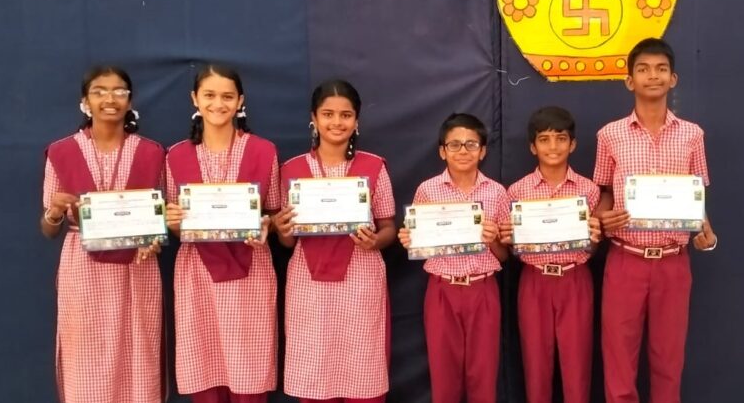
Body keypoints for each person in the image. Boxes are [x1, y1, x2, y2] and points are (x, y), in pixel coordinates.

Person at [593, 38, 718, 403]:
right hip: (625, 259)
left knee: (668, 360)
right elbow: (604, 193)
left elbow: (696, 194)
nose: (653, 76)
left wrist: (706, 231)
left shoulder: (692, 135)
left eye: (661, 69)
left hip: (672, 263)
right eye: (643, 69)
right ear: (629, 80)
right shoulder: (609, 135)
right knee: (619, 358)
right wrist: (602, 218)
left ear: (673, 78)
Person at [41, 65, 164, 403]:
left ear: (130, 101)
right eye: (99, 91)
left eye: (119, 91)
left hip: (136, 268)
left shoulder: (152, 152)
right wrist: (54, 212)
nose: (110, 98)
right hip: (83, 268)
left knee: (137, 353)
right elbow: (49, 229)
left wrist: (155, 239)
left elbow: (162, 217)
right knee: (86, 356)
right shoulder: (61, 152)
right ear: (85, 101)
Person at [273, 79, 396, 403]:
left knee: (361, 363)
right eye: (328, 114)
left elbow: (388, 227)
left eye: (346, 115)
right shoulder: (291, 169)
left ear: (356, 121)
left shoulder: (374, 166)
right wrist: (282, 229)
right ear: (313, 118)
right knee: (314, 364)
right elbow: (288, 242)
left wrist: (375, 241)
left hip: (361, 277)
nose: (337, 122)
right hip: (308, 283)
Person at [165, 64, 279, 403]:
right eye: (210, 95)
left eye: (227, 96)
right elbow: (174, 221)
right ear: (195, 99)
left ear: (240, 101)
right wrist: (171, 220)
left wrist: (268, 225)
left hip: (250, 270)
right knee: (203, 361)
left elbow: (274, 211)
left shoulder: (264, 151)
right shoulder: (175, 155)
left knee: (249, 365)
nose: (218, 104)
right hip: (197, 272)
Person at [398, 113, 508, 403]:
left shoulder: (497, 193)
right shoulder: (427, 190)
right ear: (442, 151)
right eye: (455, 144)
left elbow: (504, 255)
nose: (463, 151)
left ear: (482, 151)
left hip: (483, 288)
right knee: (443, 375)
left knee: (483, 374)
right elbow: (418, 241)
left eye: (471, 144)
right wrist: (410, 239)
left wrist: (493, 239)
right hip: (442, 289)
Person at [498, 106, 601, 403]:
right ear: (533, 147)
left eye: (561, 138)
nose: (553, 146)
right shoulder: (516, 193)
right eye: (544, 139)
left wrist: (594, 237)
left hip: (575, 280)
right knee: (536, 366)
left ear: (573, 144)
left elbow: (593, 247)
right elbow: (511, 248)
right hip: (534, 281)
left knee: (577, 366)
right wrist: (508, 238)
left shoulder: (589, 190)